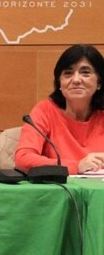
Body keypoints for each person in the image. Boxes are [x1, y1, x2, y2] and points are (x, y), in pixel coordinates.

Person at [15, 44, 104, 174]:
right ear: (59, 83)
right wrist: (77, 166)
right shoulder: (45, 110)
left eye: (85, 73)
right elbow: (23, 159)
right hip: (59, 191)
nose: (76, 80)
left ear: (99, 83)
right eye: (68, 73)